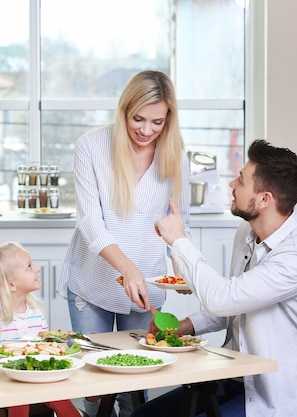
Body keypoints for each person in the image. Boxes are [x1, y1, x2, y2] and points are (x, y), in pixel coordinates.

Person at [133, 139, 297, 417]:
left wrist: (178, 239)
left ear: (264, 199)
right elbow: (236, 305)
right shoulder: (248, 234)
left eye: (241, 179)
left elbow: (223, 299)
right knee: (143, 416)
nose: (231, 185)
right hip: (236, 378)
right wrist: (184, 326)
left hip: (277, 393)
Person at [57, 70, 190, 417]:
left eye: (158, 122)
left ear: (169, 119)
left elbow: (178, 223)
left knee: (135, 385)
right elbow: (90, 221)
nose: (147, 130)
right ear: (124, 111)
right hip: (94, 283)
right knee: (97, 389)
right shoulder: (92, 146)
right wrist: (127, 268)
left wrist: (183, 268)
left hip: (145, 285)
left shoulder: (176, 156)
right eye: (138, 119)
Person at [0, 242, 80, 417]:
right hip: (4, 380)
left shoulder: (36, 314)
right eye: (29, 267)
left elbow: (44, 346)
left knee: (59, 395)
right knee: (19, 398)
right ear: (12, 284)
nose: (37, 269)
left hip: (36, 376)